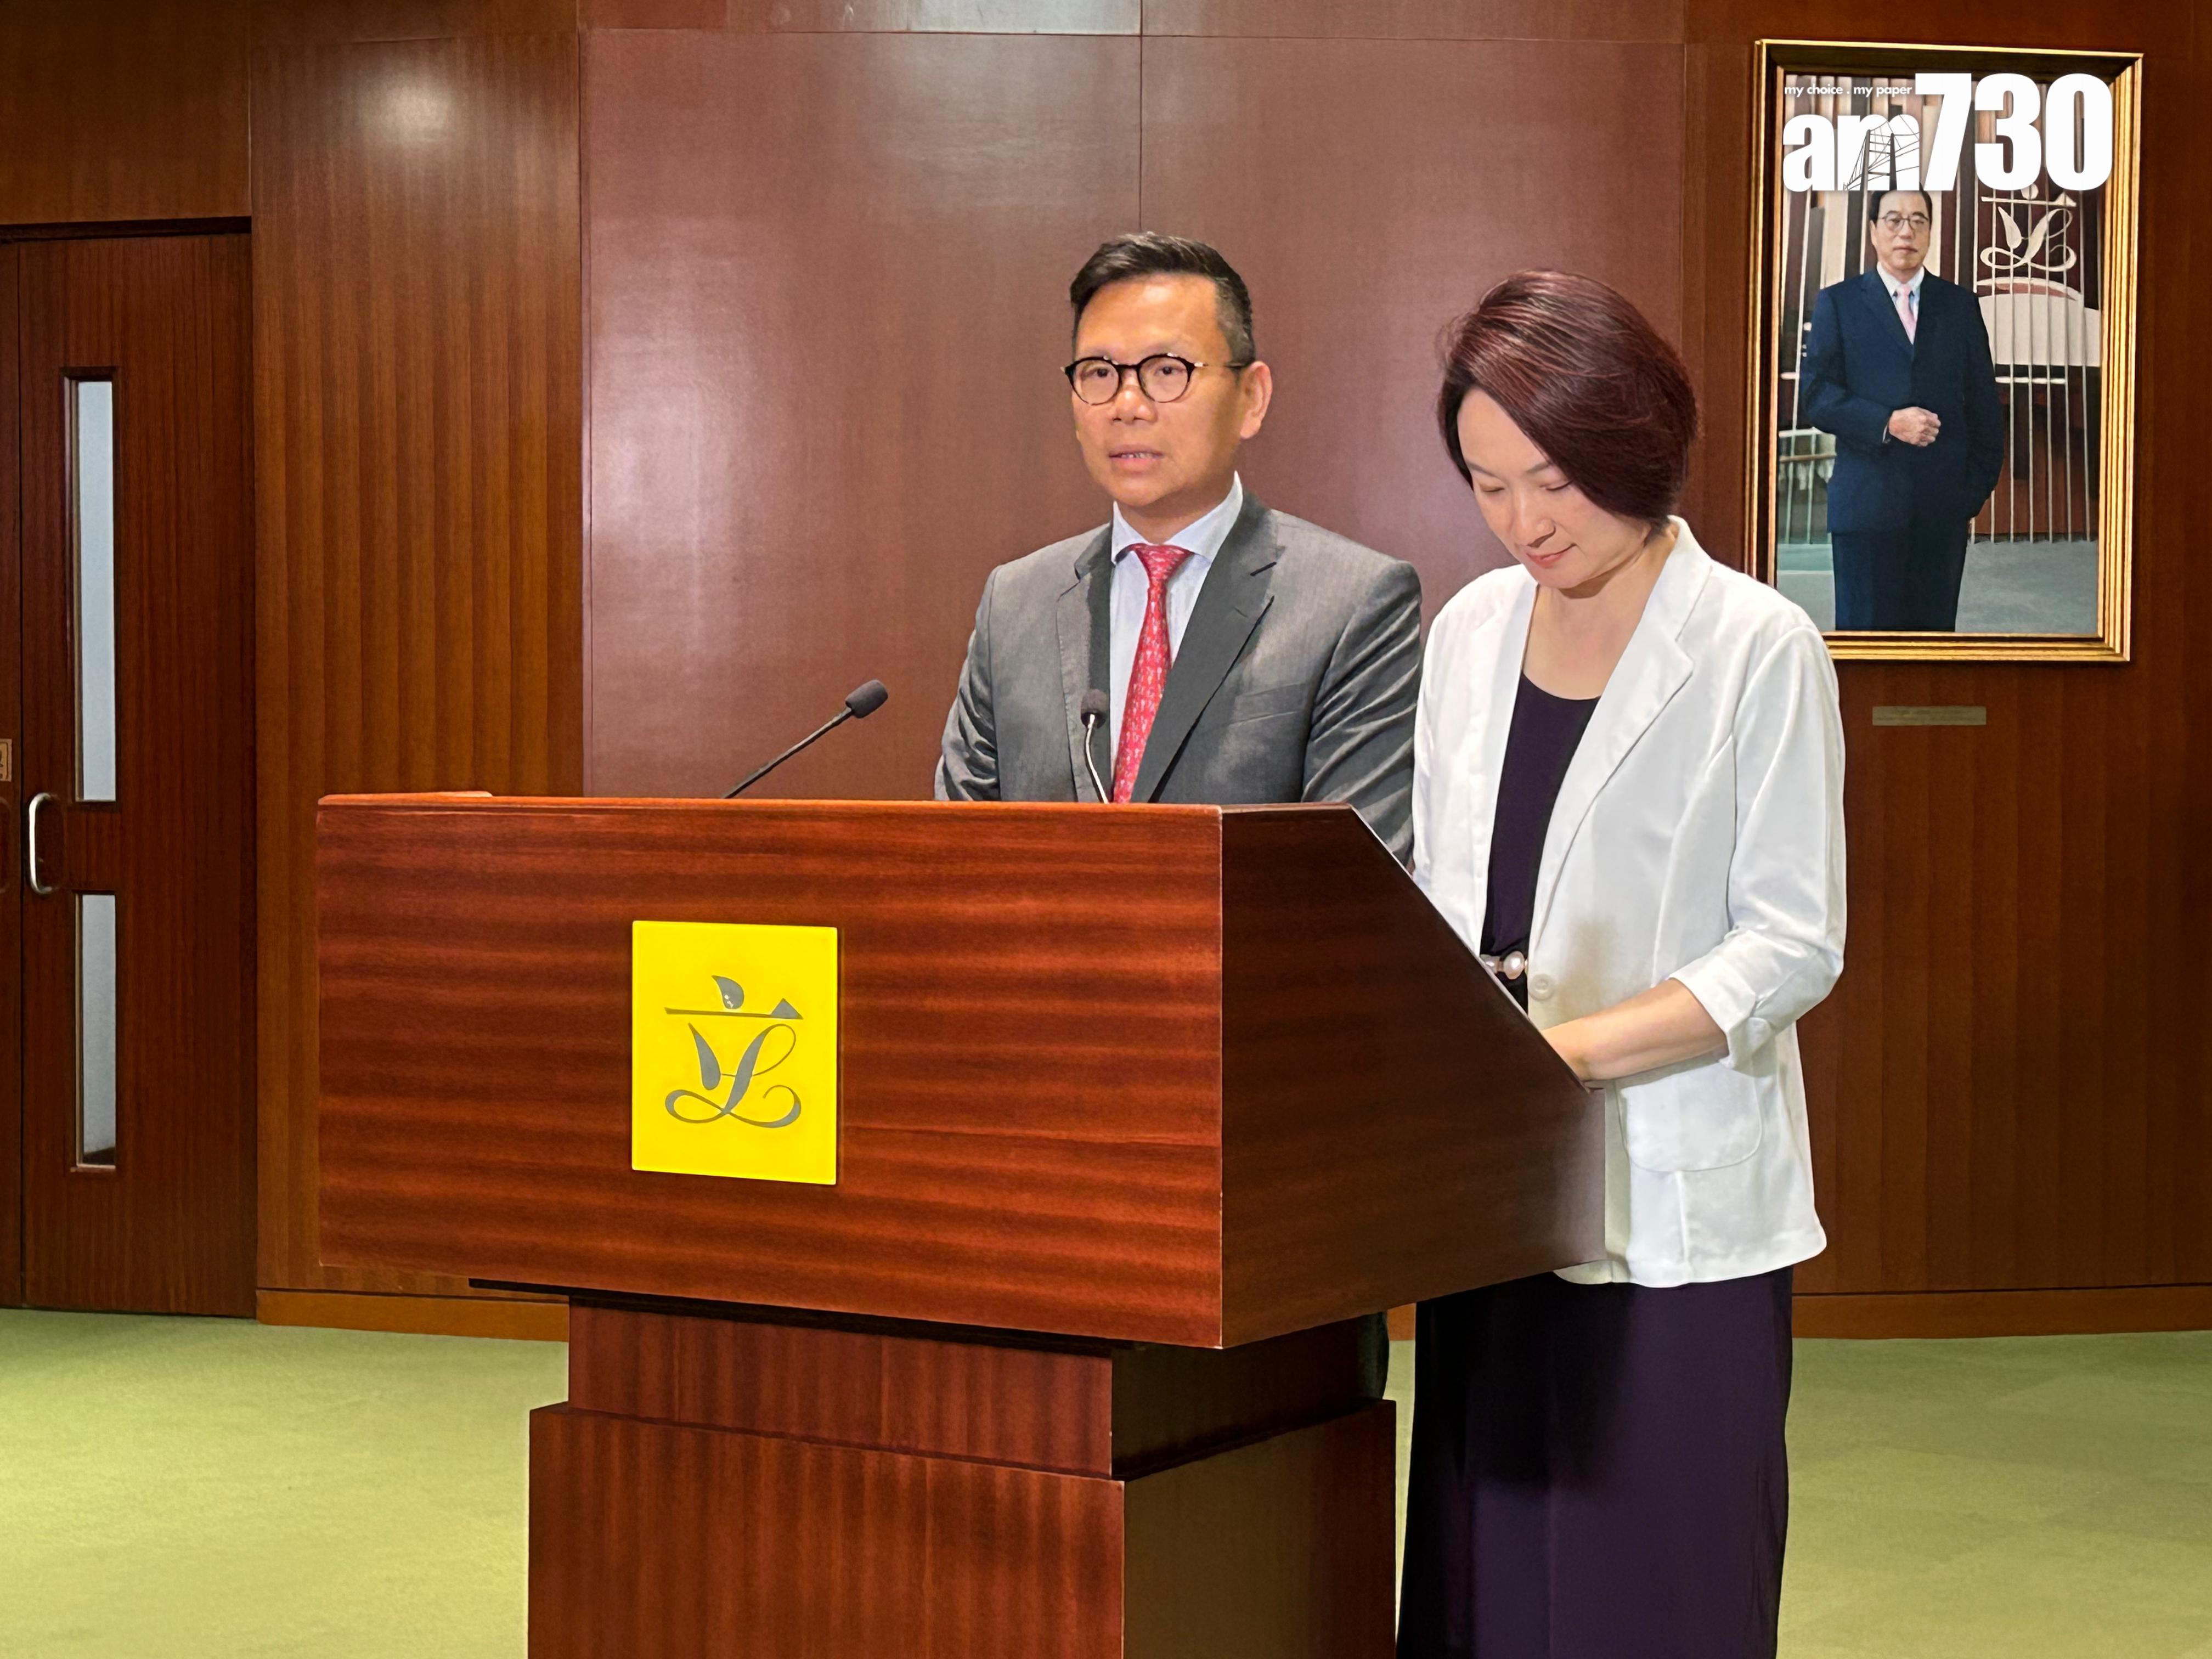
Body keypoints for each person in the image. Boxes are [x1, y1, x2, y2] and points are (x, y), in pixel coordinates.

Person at [1398, 270, 1847, 1659]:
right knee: (1488, 1587)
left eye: (1556, 480)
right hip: (1497, 1195)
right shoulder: (1471, 632)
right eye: (1488, 485)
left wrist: (1560, 1056)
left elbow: (1792, 943)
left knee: (1657, 1595)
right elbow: (1439, 895)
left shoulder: (1757, 644)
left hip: (1677, 1212)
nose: (1525, 522)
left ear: (1634, 444)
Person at [935, 231, 1421, 1391]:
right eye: (1097, 373)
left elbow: (1356, 895)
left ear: (1251, 396)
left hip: (1249, 1155)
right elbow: (956, 857)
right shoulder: (1017, 600)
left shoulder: (1352, 599)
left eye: (1166, 370)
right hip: (1034, 1139)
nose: (1127, 404)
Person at [1800, 188, 2005, 631]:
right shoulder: (1839, 303)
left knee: (1933, 654)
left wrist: (1967, 498)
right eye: (1893, 220)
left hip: (1941, 516)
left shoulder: (1959, 306)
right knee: (1867, 654)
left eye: (1918, 221)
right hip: (1866, 513)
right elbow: (1816, 397)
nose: (1905, 232)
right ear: (1874, 232)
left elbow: (1986, 411)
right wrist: (1887, 423)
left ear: (1930, 232)